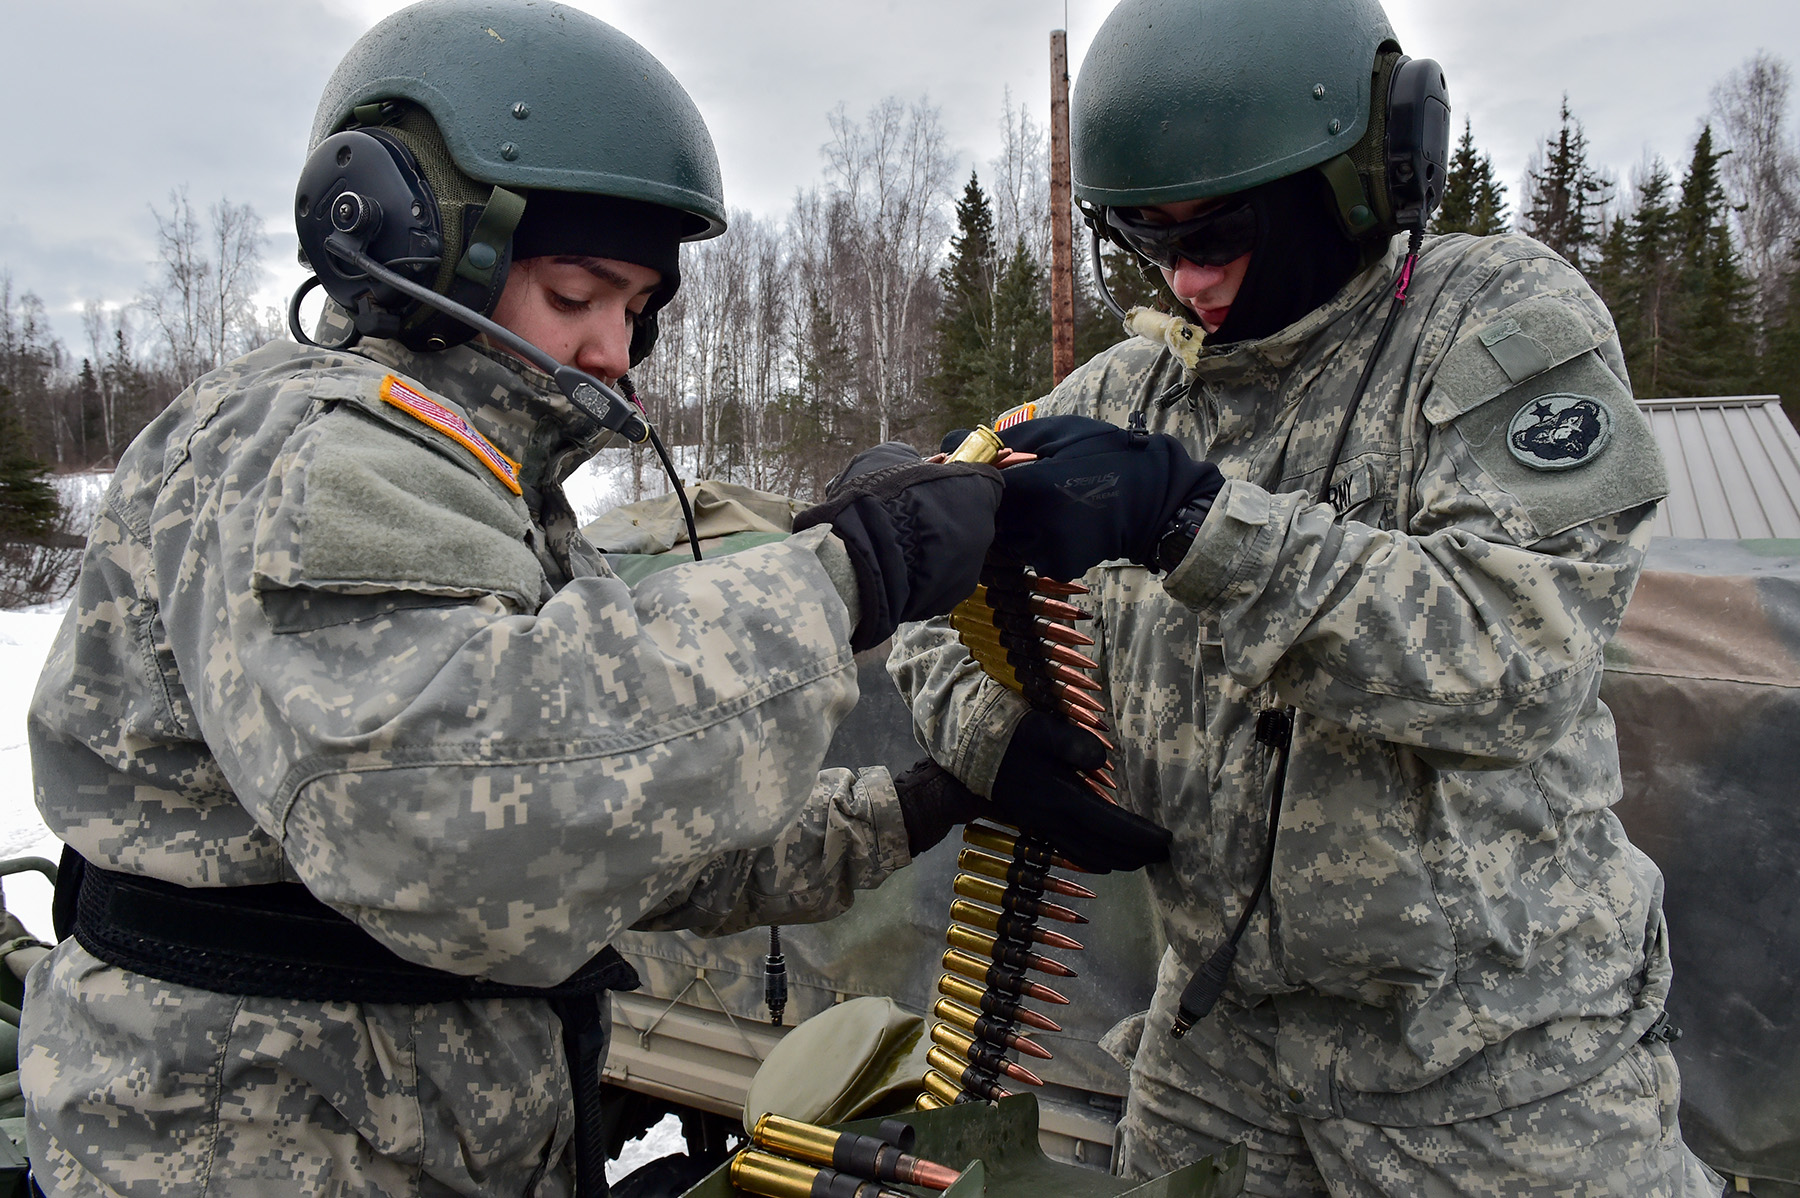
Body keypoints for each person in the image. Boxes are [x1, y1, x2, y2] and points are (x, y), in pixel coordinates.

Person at [19, 3, 1020, 1194]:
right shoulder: (303, 451)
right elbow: (464, 808)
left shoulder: (481, 489)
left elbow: (626, 828)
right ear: (406, 243)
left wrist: (919, 802)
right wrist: (844, 578)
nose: (614, 350)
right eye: (578, 292)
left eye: (638, 309)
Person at [891, 0, 1724, 1194]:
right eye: (1146, 236)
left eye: (1225, 230)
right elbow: (938, 585)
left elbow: (1514, 655)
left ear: (1367, 174)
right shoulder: (1133, 388)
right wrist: (1002, 742)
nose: (1186, 276)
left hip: (1496, 1067)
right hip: (1216, 1050)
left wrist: (1195, 525)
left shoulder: (1494, 328)